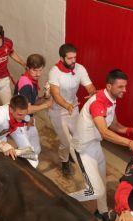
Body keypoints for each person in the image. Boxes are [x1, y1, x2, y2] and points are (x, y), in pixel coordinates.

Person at [70, 69, 133, 221]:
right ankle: (63, 199)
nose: (125, 90)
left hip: (94, 145)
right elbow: (104, 132)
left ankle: (103, 212)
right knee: (95, 190)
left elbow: (114, 124)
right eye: (121, 87)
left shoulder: (111, 99)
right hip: (82, 149)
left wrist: (131, 131)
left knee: (102, 181)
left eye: (125, 86)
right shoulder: (98, 103)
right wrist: (129, 143)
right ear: (109, 86)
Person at [48, 43, 96, 176]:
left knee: (77, 136)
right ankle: (65, 162)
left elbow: (89, 85)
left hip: (73, 108)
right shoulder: (54, 72)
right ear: (62, 59)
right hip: (58, 110)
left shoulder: (79, 68)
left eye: (74, 57)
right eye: (70, 58)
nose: (73, 60)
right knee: (65, 141)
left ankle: (73, 154)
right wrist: (66, 105)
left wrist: (92, 92)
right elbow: (56, 95)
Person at [13, 53, 53, 164]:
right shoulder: (26, 84)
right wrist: (46, 105)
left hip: (27, 120)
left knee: (36, 150)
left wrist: (44, 98)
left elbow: (33, 103)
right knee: (30, 156)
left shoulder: (32, 80)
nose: (38, 74)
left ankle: (18, 156)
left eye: (40, 70)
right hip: (19, 123)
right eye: (35, 70)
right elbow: (27, 109)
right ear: (28, 68)